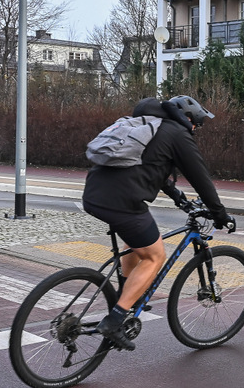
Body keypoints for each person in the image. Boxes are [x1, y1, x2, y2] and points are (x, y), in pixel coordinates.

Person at [82, 95, 233, 350]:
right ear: (188, 119)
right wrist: (219, 214)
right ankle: (115, 320)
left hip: (94, 195)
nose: (195, 129)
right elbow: (201, 178)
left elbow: (155, 171)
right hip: (123, 202)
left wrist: (179, 199)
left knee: (136, 242)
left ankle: (127, 293)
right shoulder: (177, 133)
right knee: (154, 256)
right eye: (196, 124)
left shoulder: (145, 126)